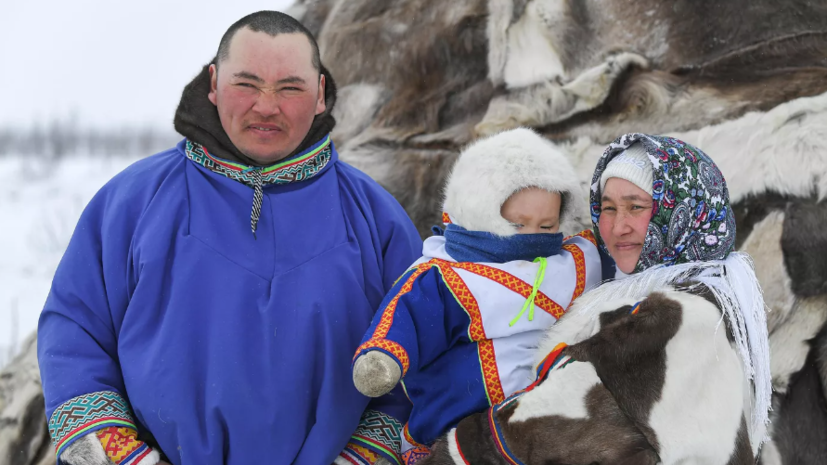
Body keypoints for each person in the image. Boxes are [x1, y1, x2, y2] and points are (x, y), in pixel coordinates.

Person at [37, 11, 421, 465]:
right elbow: (74, 331)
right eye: (247, 84)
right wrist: (120, 455)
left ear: (320, 94)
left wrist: (365, 457)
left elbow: (419, 357)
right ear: (214, 84)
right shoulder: (131, 202)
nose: (266, 106)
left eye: (290, 87)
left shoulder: (377, 220)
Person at [350, 128, 604, 462]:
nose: (533, 237)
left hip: (547, 416)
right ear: (479, 213)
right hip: (462, 418)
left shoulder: (573, 260)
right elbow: (407, 315)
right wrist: (383, 357)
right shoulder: (446, 275)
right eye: (518, 224)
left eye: (546, 226)